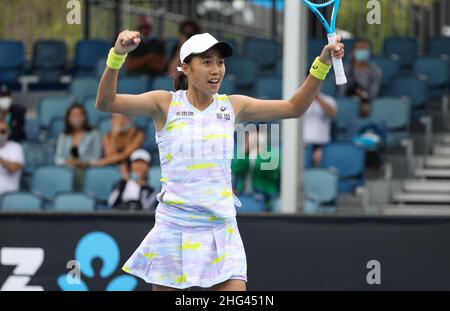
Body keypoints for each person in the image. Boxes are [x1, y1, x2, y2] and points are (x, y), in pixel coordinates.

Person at [96, 30, 344, 291]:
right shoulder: (164, 104)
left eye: (220, 62)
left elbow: (294, 108)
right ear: (185, 68)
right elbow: (106, 102)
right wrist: (117, 56)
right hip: (174, 226)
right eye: (206, 62)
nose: (216, 69)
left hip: (220, 226)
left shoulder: (233, 106)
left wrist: (323, 63)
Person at [337, 38, 382, 117]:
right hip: (348, 106)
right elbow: (341, 93)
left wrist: (365, 100)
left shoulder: (375, 71)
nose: (361, 51)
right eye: (358, 49)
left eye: (364, 48)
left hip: (368, 107)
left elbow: (374, 94)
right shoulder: (345, 69)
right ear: (353, 51)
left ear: (369, 51)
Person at [54, 104, 102, 168]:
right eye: (73, 115)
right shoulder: (63, 136)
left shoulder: (94, 134)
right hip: (66, 170)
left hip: (88, 170)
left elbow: (97, 157)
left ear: (84, 117)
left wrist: (83, 163)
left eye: (79, 115)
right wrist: (68, 162)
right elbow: (57, 159)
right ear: (68, 118)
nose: (77, 117)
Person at [303, 92, 337, 167]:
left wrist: (318, 98)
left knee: (318, 157)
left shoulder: (329, 99)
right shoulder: (300, 98)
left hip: (321, 144)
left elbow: (332, 114)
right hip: (302, 143)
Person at [0, 120, 25, 195]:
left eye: (2, 131)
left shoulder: (16, 147)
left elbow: (14, 168)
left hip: (8, 196)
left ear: (8, 133)